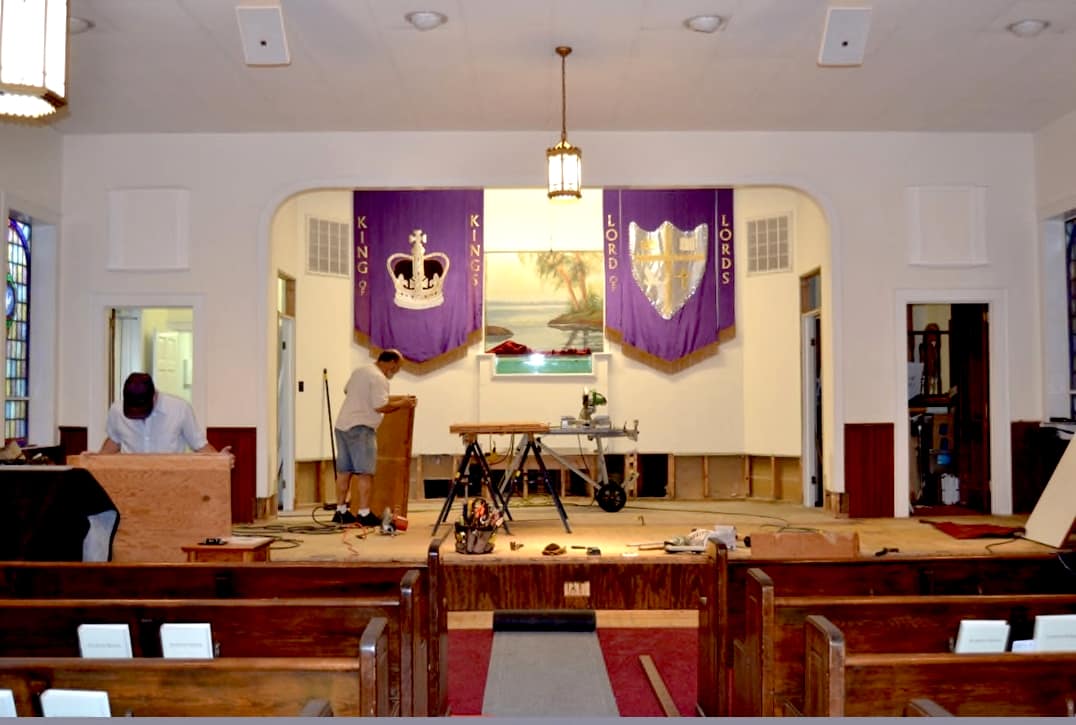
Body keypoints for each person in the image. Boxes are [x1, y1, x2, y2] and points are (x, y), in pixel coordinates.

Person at [333, 349, 416, 526]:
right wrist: (402, 403)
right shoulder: (379, 378)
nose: (397, 371)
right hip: (361, 428)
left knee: (344, 471)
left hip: (342, 426)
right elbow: (380, 406)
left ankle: (340, 512)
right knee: (365, 472)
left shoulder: (360, 370)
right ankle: (364, 513)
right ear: (391, 362)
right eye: (398, 367)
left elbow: (347, 390)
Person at [99, 372, 220, 454]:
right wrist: (94, 461)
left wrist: (220, 461)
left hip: (171, 481)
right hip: (131, 481)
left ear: (154, 396)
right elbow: (114, 440)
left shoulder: (180, 409)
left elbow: (199, 444)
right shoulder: (116, 410)